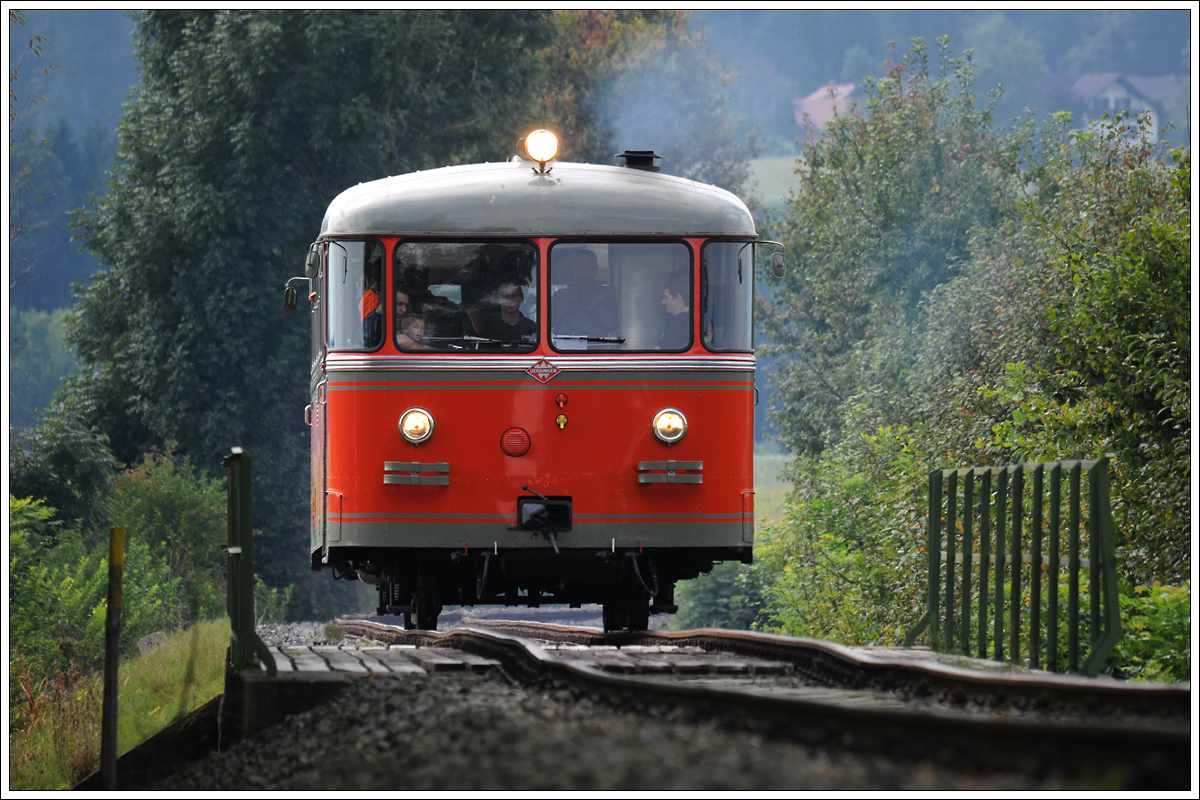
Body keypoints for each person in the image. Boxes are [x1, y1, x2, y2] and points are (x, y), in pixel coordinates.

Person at [551, 248, 616, 339]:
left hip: (599, 345)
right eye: (579, 269)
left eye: (587, 269)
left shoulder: (607, 295)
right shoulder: (559, 296)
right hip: (562, 347)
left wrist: (592, 307)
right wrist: (563, 302)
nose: (583, 273)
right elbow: (548, 325)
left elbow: (614, 324)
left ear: (596, 269)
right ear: (573, 270)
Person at [658, 270, 690, 350]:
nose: (663, 302)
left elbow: (658, 352)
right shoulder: (689, 319)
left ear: (678, 298)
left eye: (666, 297)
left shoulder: (677, 325)